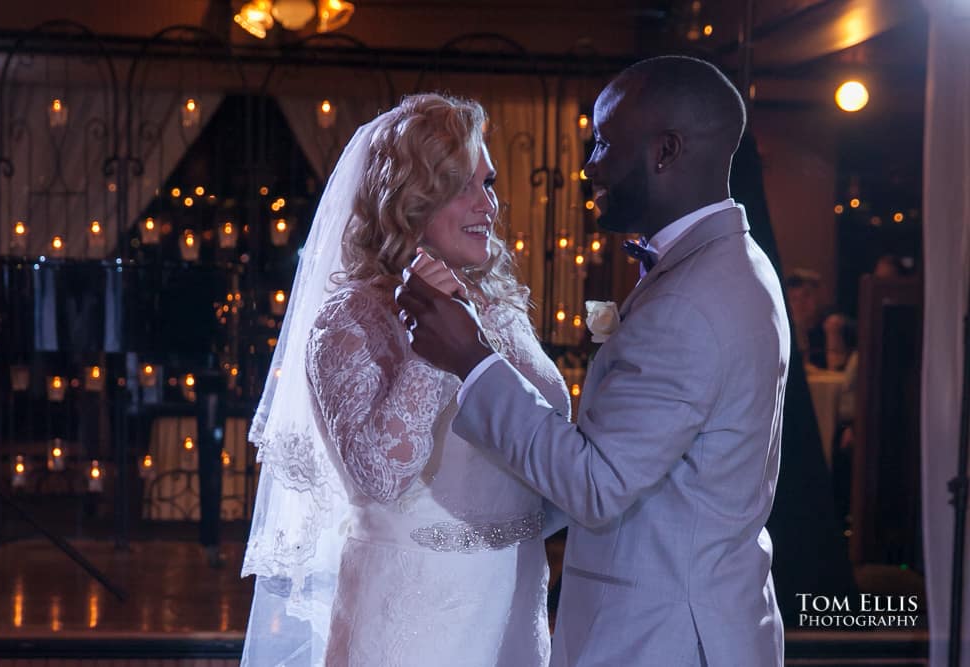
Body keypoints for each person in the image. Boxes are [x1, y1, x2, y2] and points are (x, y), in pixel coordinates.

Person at [397, 56, 789, 666]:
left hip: (661, 639)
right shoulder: (729, 265)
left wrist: (472, 359)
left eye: (604, 142)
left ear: (664, 151)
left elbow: (599, 484)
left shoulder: (692, 299)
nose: (588, 166)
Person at [240, 93, 568, 666]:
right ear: (410, 198)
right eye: (462, 185)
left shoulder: (502, 308)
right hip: (412, 616)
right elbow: (381, 477)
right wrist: (433, 344)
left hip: (516, 603)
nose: (487, 205)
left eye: (488, 184)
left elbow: (549, 440)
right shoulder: (350, 321)